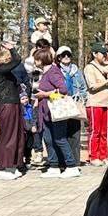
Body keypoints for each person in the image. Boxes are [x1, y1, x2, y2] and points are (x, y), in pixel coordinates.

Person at [36, 48, 80, 177]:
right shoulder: (44, 73)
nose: (35, 62)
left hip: (56, 111)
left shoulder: (53, 72)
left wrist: (45, 94)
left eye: (36, 59)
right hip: (46, 112)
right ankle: (53, 165)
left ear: (41, 60)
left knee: (60, 139)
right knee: (48, 139)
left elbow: (63, 90)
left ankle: (71, 166)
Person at [0, 45, 25, 180]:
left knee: (18, 136)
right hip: (6, 104)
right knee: (8, 136)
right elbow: (17, 60)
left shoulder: (6, 70)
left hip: (14, 103)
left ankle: (12, 165)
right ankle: (2, 167)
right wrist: (12, 48)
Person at [84, 46, 108, 166]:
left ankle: (104, 155)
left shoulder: (107, 66)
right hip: (95, 103)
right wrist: (106, 81)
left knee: (105, 131)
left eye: (105, 53)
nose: (104, 55)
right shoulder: (89, 67)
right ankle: (93, 156)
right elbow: (92, 86)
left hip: (107, 103)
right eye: (102, 53)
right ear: (94, 54)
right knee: (95, 131)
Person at [56, 46, 86, 166]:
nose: (66, 57)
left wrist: (81, 98)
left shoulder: (76, 71)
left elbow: (83, 87)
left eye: (68, 54)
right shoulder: (56, 71)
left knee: (75, 134)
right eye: (63, 55)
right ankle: (63, 161)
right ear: (59, 57)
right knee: (62, 134)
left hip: (74, 104)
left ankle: (75, 161)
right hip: (61, 105)